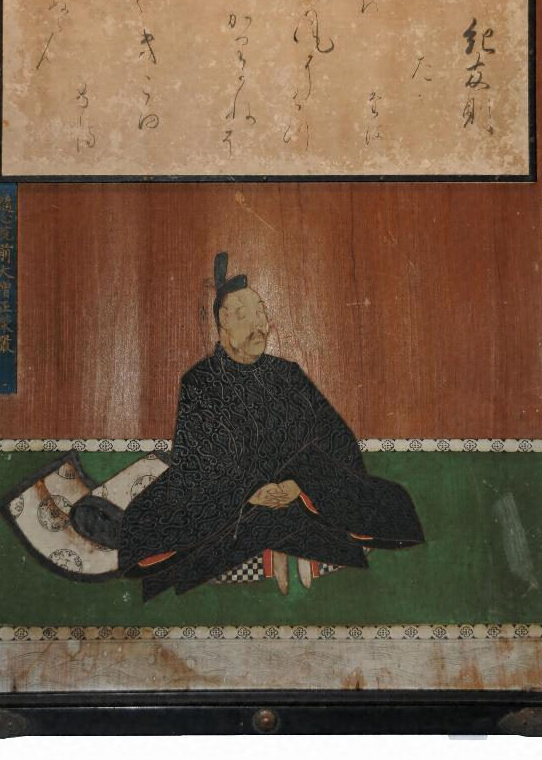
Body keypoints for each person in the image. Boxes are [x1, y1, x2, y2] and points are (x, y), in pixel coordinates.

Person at [109, 252, 425, 601]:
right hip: (232, 497)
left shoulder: (287, 373)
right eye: (246, 316)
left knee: (388, 501)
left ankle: (285, 531)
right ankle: (289, 537)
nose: (259, 324)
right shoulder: (200, 381)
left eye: (261, 313)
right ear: (223, 322)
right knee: (144, 521)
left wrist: (298, 485)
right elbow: (197, 460)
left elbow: (333, 437)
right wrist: (248, 491)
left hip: (297, 489)